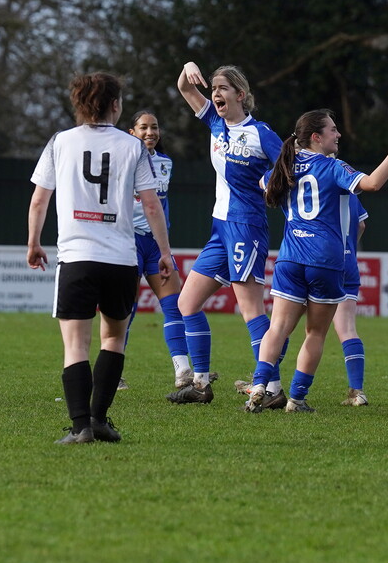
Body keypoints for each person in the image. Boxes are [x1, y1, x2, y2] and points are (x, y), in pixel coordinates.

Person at [27, 72, 174, 444]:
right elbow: (152, 204)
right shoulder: (133, 146)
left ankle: (80, 428)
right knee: (113, 340)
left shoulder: (60, 142)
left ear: (78, 103)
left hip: (77, 257)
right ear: (114, 105)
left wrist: (33, 241)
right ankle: (100, 420)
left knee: (75, 345)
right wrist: (166, 251)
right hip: (121, 259)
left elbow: (40, 199)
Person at [247, 110, 388, 413]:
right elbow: (373, 184)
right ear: (316, 137)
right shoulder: (333, 166)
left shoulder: (285, 166)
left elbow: (263, 186)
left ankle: (259, 385)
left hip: (289, 257)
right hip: (325, 259)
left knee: (278, 328)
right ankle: (296, 399)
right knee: (315, 333)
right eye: (333, 130)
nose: (338, 135)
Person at [167, 62, 284, 406]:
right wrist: (188, 68)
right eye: (214, 88)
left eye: (222, 89)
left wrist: (271, 184)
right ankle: (201, 383)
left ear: (241, 95)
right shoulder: (216, 123)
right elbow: (186, 89)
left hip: (246, 226)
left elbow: (287, 170)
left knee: (251, 310)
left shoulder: (261, 133)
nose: (215, 94)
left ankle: (272, 388)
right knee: (187, 303)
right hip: (220, 227)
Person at [121, 110, 205, 393]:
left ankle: (182, 370)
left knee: (175, 306)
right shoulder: (121, 161)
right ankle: (113, 372)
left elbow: (160, 206)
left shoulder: (165, 163)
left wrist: (165, 245)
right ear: (131, 132)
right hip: (127, 242)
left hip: (156, 245)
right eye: (143, 127)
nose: (150, 132)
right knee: (124, 311)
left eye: (154, 127)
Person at [334, 191, 370, 407]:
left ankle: (269, 384)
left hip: (312, 258)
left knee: (283, 326)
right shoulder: (348, 186)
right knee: (347, 328)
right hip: (347, 263)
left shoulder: (310, 174)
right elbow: (362, 225)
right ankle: (357, 391)